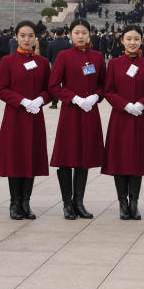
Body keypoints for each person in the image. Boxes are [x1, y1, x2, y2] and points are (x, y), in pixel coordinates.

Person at [48, 19, 106, 220]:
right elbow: (54, 85)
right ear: (70, 35)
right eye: (76, 33)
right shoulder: (64, 56)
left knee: (84, 158)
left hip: (89, 111)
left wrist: (95, 97)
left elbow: (103, 85)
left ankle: (79, 202)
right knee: (66, 158)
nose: (80, 36)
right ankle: (67, 203)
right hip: (70, 112)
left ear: (89, 34)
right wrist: (73, 98)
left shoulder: (98, 57)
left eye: (84, 32)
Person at [0, 20, 50, 220]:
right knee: (15, 158)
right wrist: (22, 101)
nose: (27, 39)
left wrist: (41, 100)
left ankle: (26, 202)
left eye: (31, 35)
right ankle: (14, 202)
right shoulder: (8, 61)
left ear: (36, 38)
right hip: (15, 117)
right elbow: (0, 89)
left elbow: (50, 89)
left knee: (31, 158)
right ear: (16, 37)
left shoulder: (42, 62)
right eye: (23, 35)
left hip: (35, 116)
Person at [103, 25, 144, 220]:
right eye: (129, 39)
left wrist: (141, 105)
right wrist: (125, 105)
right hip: (120, 117)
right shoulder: (114, 64)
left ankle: (134, 202)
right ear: (122, 41)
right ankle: (122, 203)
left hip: (140, 118)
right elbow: (108, 91)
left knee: (137, 160)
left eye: (136, 39)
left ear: (141, 41)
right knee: (120, 160)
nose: (132, 42)